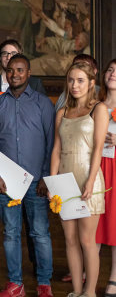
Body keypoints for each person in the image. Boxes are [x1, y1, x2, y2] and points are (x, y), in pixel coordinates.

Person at [0, 55, 55, 297]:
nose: (15, 74)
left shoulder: (43, 104)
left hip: (37, 182)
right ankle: (16, 284)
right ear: (6, 73)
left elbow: (51, 142)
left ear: (29, 73)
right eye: (11, 70)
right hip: (7, 182)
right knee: (11, 233)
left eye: (20, 70)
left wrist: (46, 176)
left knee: (40, 234)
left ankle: (44, 284)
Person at [50, 61, 106, 297]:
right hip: (64, 179)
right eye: (71, 80)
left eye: (80, 80)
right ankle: (76, 291)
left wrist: (91, 181)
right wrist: (52, 182)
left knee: (86, 240)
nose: (74, 85)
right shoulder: (62, 112)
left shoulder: (99, 109)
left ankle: (90, 292)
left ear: (91, 83)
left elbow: (98, 149)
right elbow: (56, 148)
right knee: (70, 239)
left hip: (87, 178)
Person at [98, 58, 116, 297]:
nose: (113, 74)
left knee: (114, 221)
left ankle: (114, 276)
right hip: (96, 166)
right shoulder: (95, 104)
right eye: (110, 70)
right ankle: (88, 273)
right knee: (93, 221)